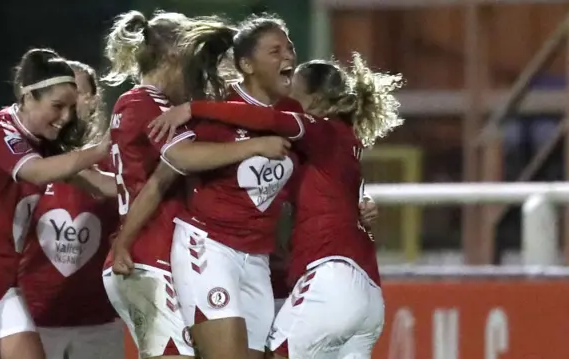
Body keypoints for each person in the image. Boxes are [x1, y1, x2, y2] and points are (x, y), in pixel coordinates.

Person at [149, 52, 404, 359]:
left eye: (293, 88)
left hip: (331, 275)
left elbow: (265, 117)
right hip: (369, 293)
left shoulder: (318, 129)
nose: (286, 94)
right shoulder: (345, 139)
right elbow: (348, 189)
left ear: (312, 100)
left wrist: (192, 108)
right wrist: (364, 200)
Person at [100, 10, 290, 359]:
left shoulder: (137, 105)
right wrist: (253, 145)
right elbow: (180, 160)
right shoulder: (146, 102)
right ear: (176, 55)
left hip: (146, 254)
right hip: (148, 257)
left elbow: (143, 179)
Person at [0, 48, 110, 359]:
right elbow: (35, 171)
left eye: (70, 108)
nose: (66, 117)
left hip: (3, 285)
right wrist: (102, 148)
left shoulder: (40, 142)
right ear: (28, 98)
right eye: (57, 106)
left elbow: (102, 186)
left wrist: (160, 174)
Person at [166, 13, 303, 359]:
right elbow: (179, 158)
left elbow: (323, 161)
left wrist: (359, 198)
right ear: (247, 64)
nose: (288, 57)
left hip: (257, 257)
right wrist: (251, 146)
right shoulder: (220, 106)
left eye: (289, 48)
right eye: (275, 51)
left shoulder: (290, 112)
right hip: (209, 247)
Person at [18, 60, 123, 359]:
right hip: (32, 320)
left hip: (100, 321)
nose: (68, 106)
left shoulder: (117, 161)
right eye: (59, 98)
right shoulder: (24, 160)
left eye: (76, 93)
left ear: (92, 99)